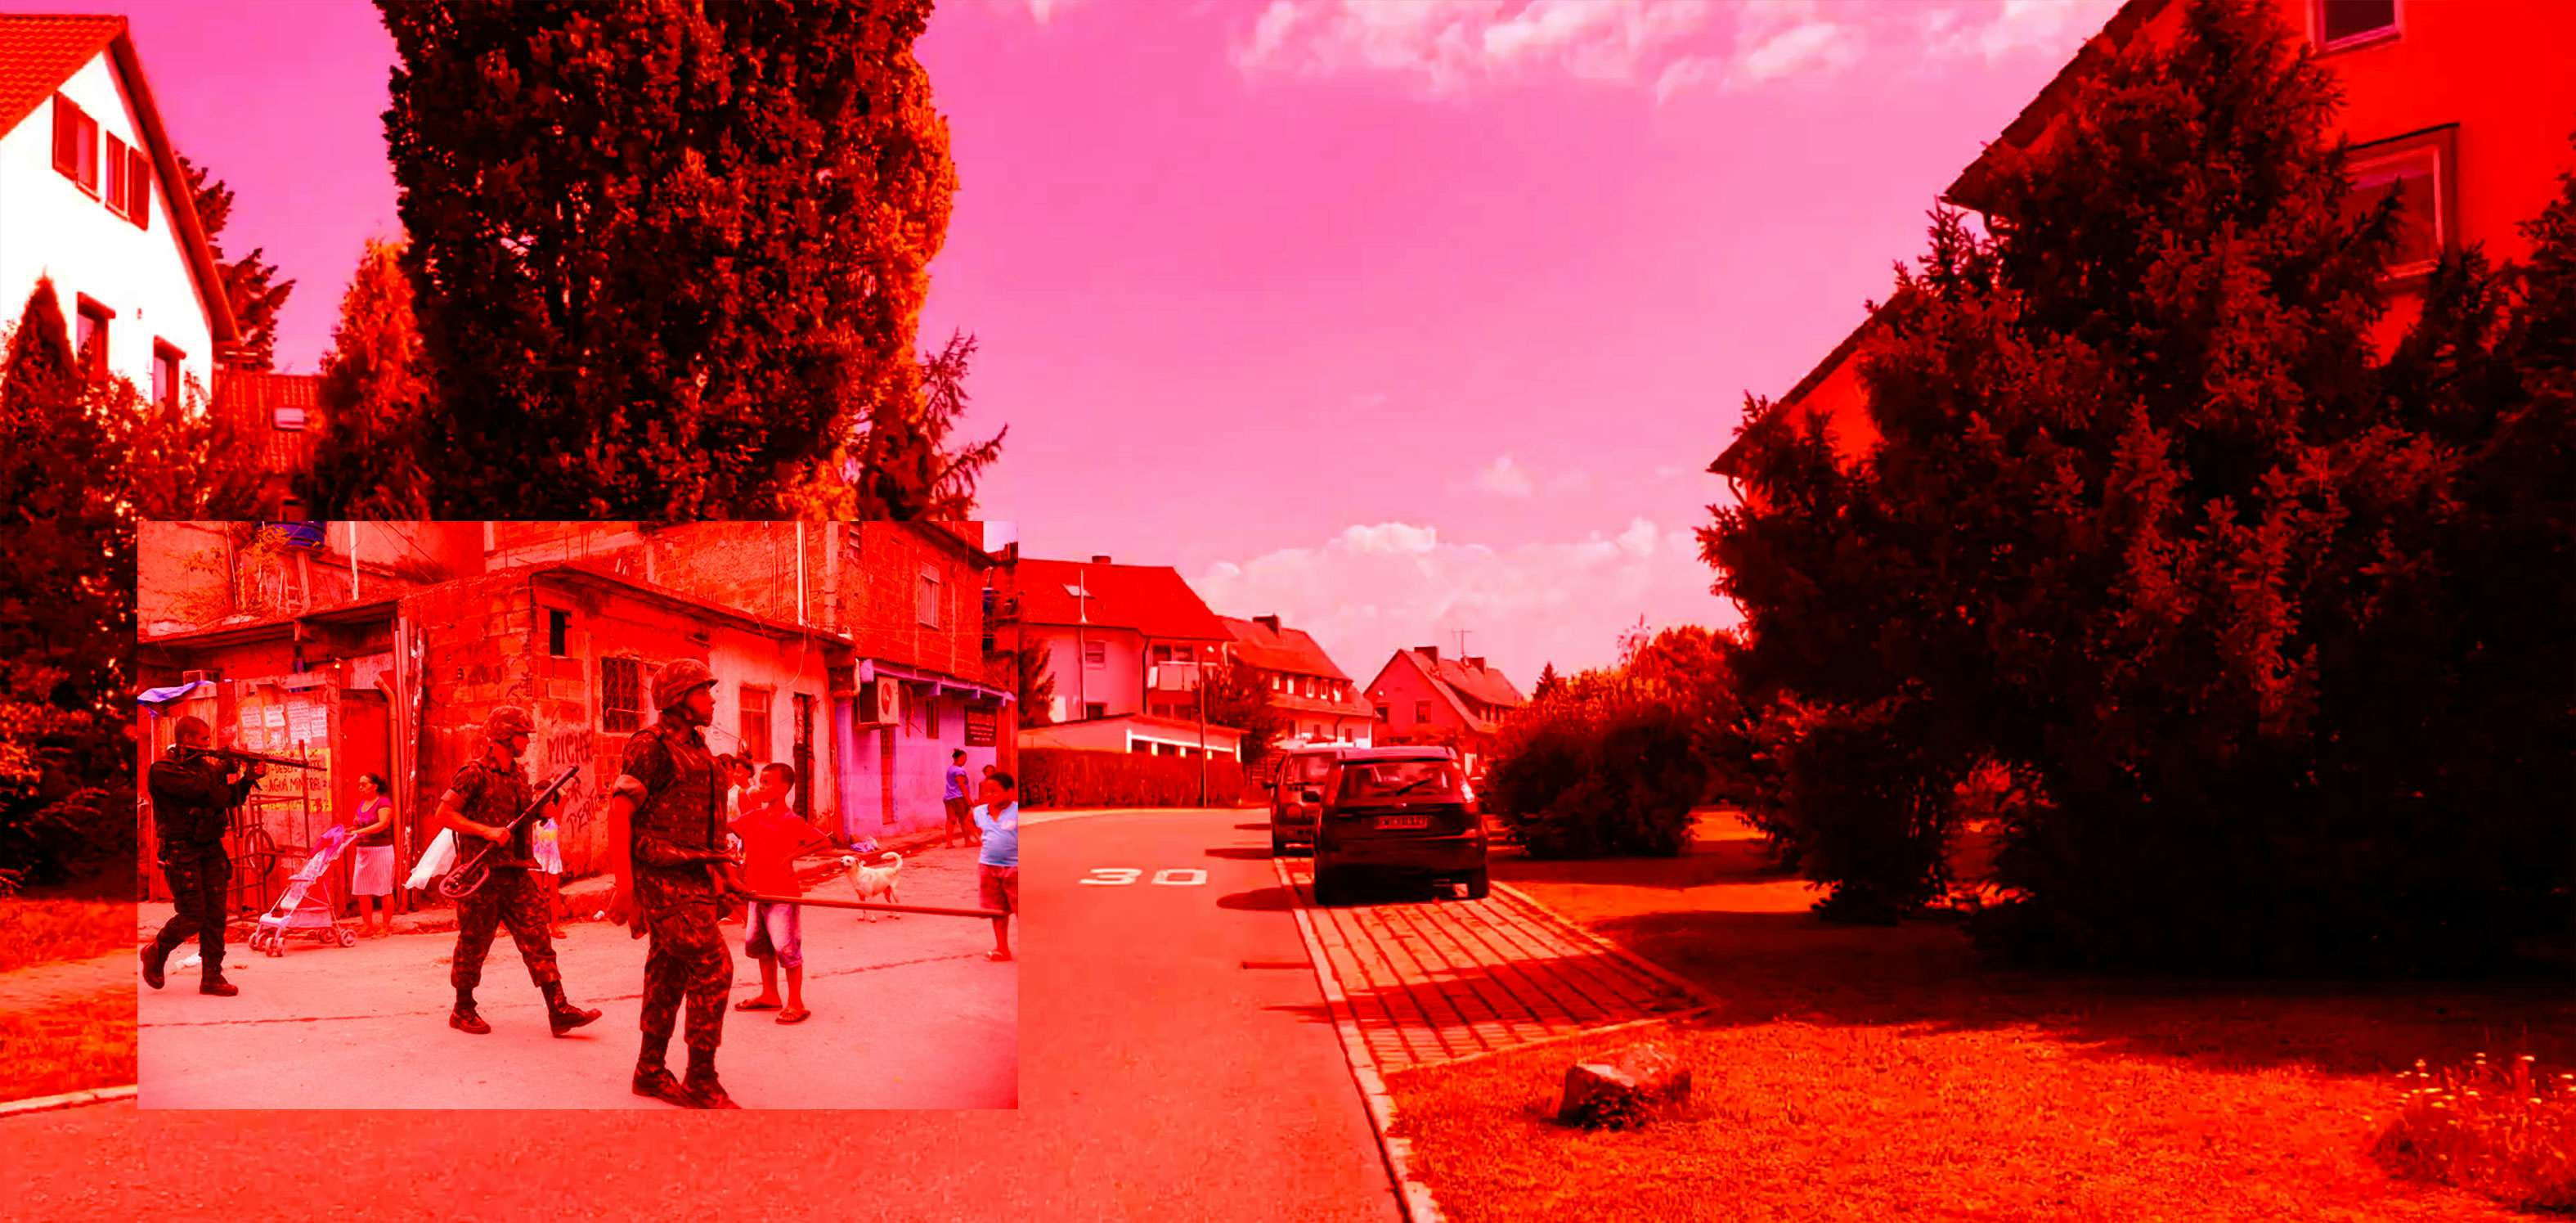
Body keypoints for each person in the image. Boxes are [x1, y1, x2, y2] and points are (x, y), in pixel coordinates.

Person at [603, 659, 749, 1109]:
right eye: (703, 691)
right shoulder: (649, 746)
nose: (712, 699)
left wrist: (725, 875)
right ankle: (701, 1080)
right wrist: (625, 887)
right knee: (713, 967)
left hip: (695, 875)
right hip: (662, 877)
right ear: (678, 700)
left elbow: (707, 827)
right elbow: (620, 813)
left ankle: (649, 1072)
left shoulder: (700, 749)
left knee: (667, 973)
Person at [436, 707, 601, 1038]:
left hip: (515, 873)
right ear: (504, 736)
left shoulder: (518, 776)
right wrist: (486, 831)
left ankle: (558, 1008)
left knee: (538, 938)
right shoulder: (474, 774)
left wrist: (553, 802)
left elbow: (537, 815)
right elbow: (444, 814)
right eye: (522, 735)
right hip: (482, 874)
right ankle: (463, 1008)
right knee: (473, 943)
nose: (526, 741)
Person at [142, 717, 259, 996]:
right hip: (181, 850)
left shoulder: (205, 769)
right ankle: (157, 950)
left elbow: (226, 799)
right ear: (187, 739)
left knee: (216, 915)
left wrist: (248, 779)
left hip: (210, 847)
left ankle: (212, 977)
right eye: (204, 739)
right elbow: (201, 791)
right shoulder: (164, 770)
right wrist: (221, 768)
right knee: (193, 915)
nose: (209, 745)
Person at [730, 762, 834, 1025]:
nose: (761, 786)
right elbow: (727, 827)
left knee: (786, 949)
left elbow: (824, 841)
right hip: (756, 892)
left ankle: (796, 1002)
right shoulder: (754, 817)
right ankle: (769, 994)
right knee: (762, 947)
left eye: (767, 782)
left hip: (782, 895)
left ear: (784, 788)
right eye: (761, 781)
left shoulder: (792, 821)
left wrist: (792, 856)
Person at [972, 771, 1020, 962]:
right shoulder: (979, 812)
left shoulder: (1017, 811)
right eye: (987, 791)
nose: (990, 795)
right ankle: (1002, 949)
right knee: (996, 910)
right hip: (988, 867)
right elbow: (968, 821)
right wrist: (979, 838)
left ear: (1010, 791)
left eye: (995, 791)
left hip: (1015, 868)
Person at [346, 773, 397, 938]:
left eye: (364, 784)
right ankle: (367, 926)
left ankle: (385, 927)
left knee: (384, 889)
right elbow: (357, 826)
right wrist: (348, 831)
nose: (360, 788)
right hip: (363, 851)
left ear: (375, 786)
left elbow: (383, 824)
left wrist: (359, 832)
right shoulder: (362, 804)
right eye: (359, 785)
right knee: (362, 890)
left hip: (381, 851)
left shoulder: (383, 802)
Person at [533, 812, 568, 940]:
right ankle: (540, 927)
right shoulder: (534, 823)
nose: (552, 806)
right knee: (538, 893)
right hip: (537, 858)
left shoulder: (555, 820)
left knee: (554, 892)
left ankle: (555, 926)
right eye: (548, 804)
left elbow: (563, 800)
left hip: (553, 859)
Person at [942, 749, 974, 848]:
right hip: (959, 798)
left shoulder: (950, 769)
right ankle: (968, 841)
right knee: (964, 819)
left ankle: (949, 843)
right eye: (963, 758)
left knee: (950, 820)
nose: (965, 760)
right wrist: (969, 800)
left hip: (949, 797)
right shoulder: (959, 771)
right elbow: (962, 786)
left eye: (965, 758)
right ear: (956, 758)